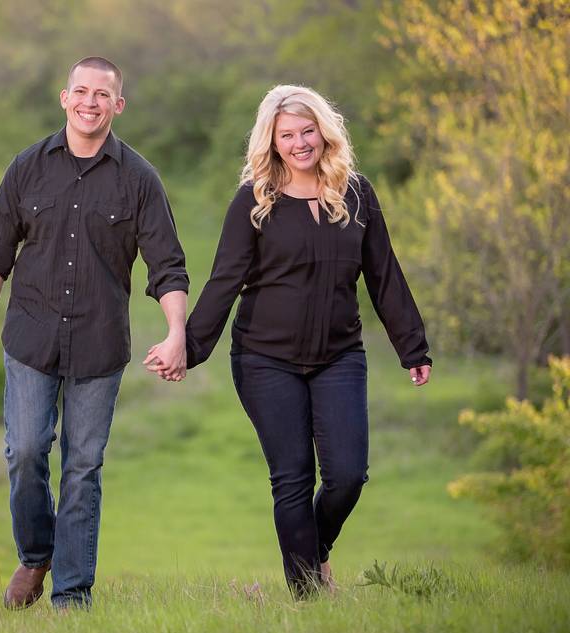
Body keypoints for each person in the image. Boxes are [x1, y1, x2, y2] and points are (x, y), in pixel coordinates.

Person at [179, 84, 432, 598]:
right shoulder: (255, 200)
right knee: (291, 477)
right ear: (272, 143)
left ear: (324, 131)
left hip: (340, 355)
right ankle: (308, 598)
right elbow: (224, 280)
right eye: (287, 135)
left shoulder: (356, 193)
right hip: (264, 359)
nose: (299, 143)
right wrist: (187, 348)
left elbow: (384, 275)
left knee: (347, 475)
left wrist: (412, 345)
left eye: (307, 130)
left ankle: (314, 551)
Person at [0, 56, 189, 610]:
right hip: (31, 336)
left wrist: (176, 331)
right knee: (26, 451)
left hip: (99, 342)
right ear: (64, 98)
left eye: (102, 94)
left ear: (119, 104)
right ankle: (36, 555)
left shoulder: (139, 179)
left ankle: (72, 594)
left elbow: (168, 266)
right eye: (81, 92)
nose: (90, 102)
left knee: (83, 468)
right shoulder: (27, 167)